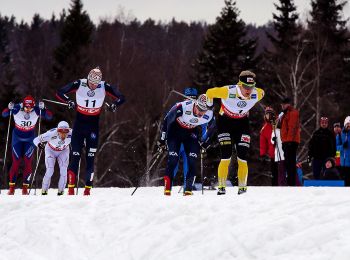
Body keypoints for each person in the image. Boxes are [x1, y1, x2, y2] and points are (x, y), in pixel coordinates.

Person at [56, 67, 125, 195]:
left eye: (96, 83)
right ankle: (70, 190)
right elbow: (60, 92)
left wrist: (115, 104)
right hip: (79, 126)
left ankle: (87, 190)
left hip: (93, 127)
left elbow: (121, 97)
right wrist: (69, 100)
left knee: (90, 159)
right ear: (88, 79)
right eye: (91, 83)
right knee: (75, 157)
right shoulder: (80, 83)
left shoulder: (104, 86)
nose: (93, 86)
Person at [206, 70, 264, 195]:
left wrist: (244, 110)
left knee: (242, 156)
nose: (248, 90)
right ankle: (222, 186)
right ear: (239, 85)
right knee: (226, 154)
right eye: (245, 87)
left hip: (241, 123)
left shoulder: (257, 94)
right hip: (224, 122)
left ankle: (242, 187)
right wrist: (210, 106)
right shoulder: (228, 91)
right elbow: (209, 92)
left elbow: (262, 92)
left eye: (251, 87)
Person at [158, 94, 214, 196]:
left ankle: (188, 190)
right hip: (175, 133)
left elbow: (212, 128)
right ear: (195, 104)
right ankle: (167, 189)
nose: (201, 113)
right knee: (173, 159)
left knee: (192, 161)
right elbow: (166, 121)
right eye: (199, 109)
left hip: (190, 134)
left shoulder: (209, 114)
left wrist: (206, 142)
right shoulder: (182, 107)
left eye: (204, 110)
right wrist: (162, 139)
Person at [1, 96, 53, 195]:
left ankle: (25, 187)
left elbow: (49, 116)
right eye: (26, 107)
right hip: (17, 139)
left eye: (30, 108)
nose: (28, 110)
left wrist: (44, 108)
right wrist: (9, 108)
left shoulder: (37, 109)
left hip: (30, 139)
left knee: (28, 162)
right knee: (16, 162)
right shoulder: (17, 108)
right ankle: (11, 188)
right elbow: (4, 114)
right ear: (23, 105)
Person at [33, 121, 72, 195]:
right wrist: (39, 144)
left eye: (66, 131)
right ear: (58, 131)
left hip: (63, 151)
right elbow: (35, 140)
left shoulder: (72, 133)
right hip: (50, 150)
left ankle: (61, 192)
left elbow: (82, 138)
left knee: (64, 171)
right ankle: (44, 191)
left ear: (68, 130)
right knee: (50, 170)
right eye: (61, 131)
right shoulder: (51, 134)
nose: (63, 134)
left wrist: (81, 143)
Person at [172, 87, 198, 189]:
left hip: (189, 140)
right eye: (188, 98)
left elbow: (205, 125)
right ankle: (169, 186)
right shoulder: (179, 106)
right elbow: (168, 120)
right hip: (177, 139)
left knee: (189, 163)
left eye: (193, 98)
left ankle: (188, 186)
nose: (190, 100)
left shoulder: (198, 107)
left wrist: (204, 139)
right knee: (174, 163)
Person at [280, 97, 300, 186]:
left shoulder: (293, 113)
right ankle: (290, 182)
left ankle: (292, 182)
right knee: (288, 162)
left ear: (288, 104)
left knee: (290, 162)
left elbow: (292, 128)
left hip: (290, 142)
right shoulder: (285, 114)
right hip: (286, 141)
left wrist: (288, 142)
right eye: (281, 105)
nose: (282, 106)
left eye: (284, 104)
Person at [260, 106, 278, 185]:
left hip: (282, 153)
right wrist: (263, 154)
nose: (268, 117)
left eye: (270, 115)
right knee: (274, 173)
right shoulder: (265, 128)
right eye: (267, 115)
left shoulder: (279, 123)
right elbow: (263, 143)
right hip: (273, 155)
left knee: (283, 172)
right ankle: (275, 187)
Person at [336, 116, 350, 186]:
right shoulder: (340, 134)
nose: (349, 125)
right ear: (345, 124)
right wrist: (342, 147)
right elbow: (336, 148)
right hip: (342, 164)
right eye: (347, 124)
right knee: (343, 183)